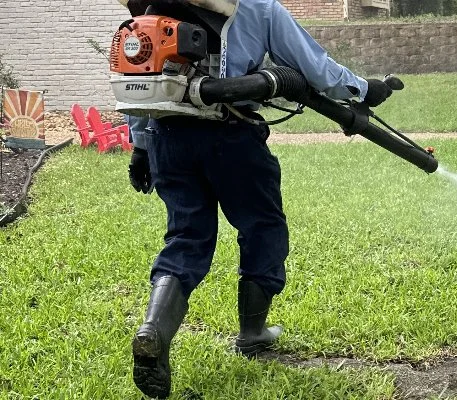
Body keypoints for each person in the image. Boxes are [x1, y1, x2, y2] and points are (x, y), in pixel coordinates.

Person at [117, 0, 393, 398]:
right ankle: (251, 332)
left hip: (168, 140)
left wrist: (141, 146)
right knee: (262, 226)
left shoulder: (152, 5)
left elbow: (140, 79)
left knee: (186, 237)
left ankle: (153, 330)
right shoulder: (259, 9)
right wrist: (366, 89)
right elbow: (315, 69)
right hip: (232, 134)